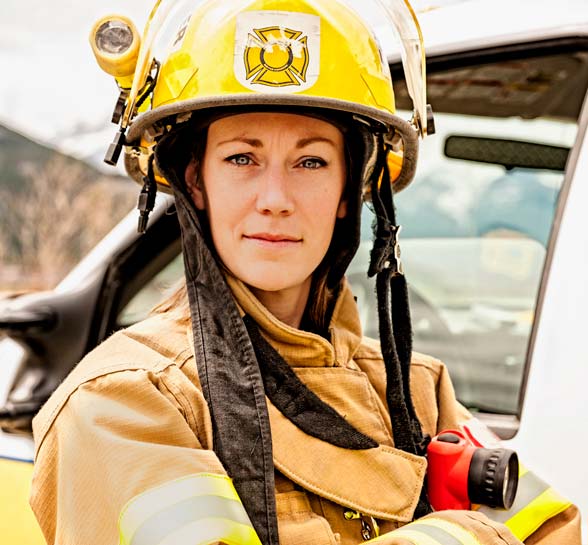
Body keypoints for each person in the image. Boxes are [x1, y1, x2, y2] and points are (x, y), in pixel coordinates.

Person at [30, 0, 580, 544]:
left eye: (311, 161)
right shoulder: (127, 400)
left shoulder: (417, 389)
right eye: (242, 159)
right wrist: (467, 534)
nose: (275, 199)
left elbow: (554, 531)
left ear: (349, 189)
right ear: (196, 182)